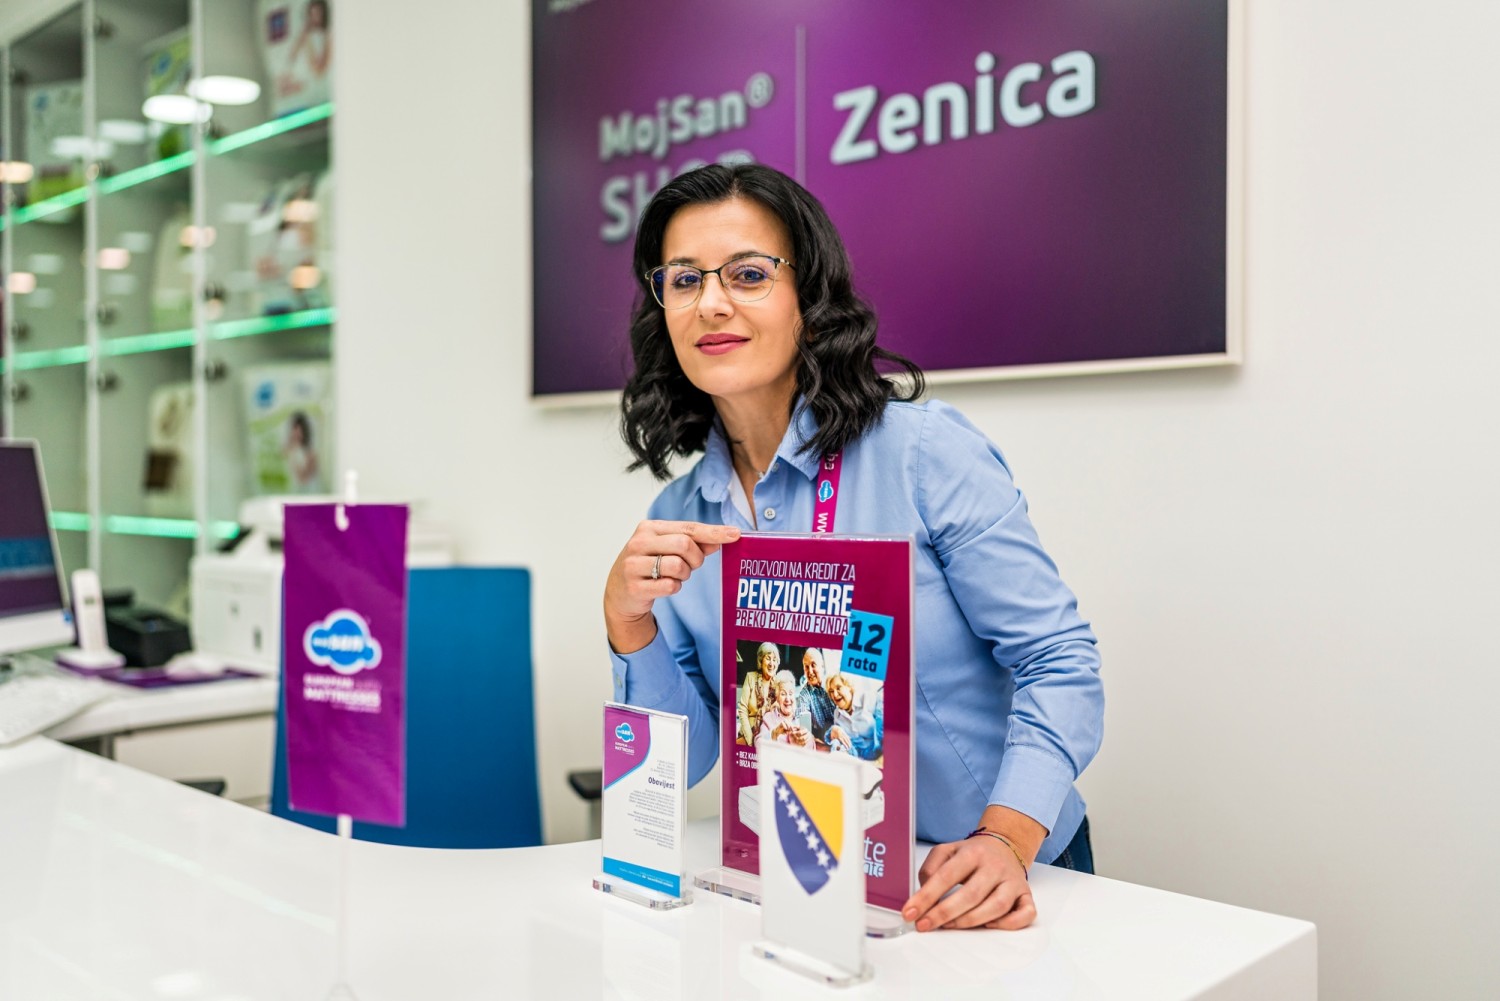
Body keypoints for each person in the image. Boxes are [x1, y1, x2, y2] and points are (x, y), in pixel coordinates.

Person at [603, 163, 1103, 933]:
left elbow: (1059, 661)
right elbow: (692, 758)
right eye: (684, 279)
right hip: (807, 880)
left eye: (748, 274)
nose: (711, 303)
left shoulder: (921, 453)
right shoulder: (678, 515)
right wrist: (628, 624)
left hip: (982, 875)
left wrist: (1005, 837)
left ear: (810, 299)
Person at [826, 672, 883, 761]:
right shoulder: (837, 714)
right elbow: (843, 742)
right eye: (831, 691)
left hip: (880, 754)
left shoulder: (868, 698)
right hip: (857, 759)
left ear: (849, 686)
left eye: (838, 688)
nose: (835, 695)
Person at [736, 641, 779, 746]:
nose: (771, 664)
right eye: (768, 658)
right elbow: (742, 710)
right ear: (760, 660)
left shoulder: (779, 683)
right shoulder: (750, 677)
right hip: (749, 734)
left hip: (769, 737)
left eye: (774, 660)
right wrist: (750, 740)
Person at [756, 672, 811, 748]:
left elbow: (812, 748)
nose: (787, 699)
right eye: (783, 694)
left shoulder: (802, 717)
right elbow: (758, 744)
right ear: (777, 697)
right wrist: (775, 733)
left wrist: (805, 741)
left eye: (790, 694)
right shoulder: (769, 717)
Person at [794, 647, 836, 745]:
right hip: (823, 743)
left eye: (813, 665)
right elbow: (803, 721)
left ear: (822, 666)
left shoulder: (833, 684)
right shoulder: (804, 694)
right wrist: (805, 734)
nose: (810, 671)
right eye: (806, 667)